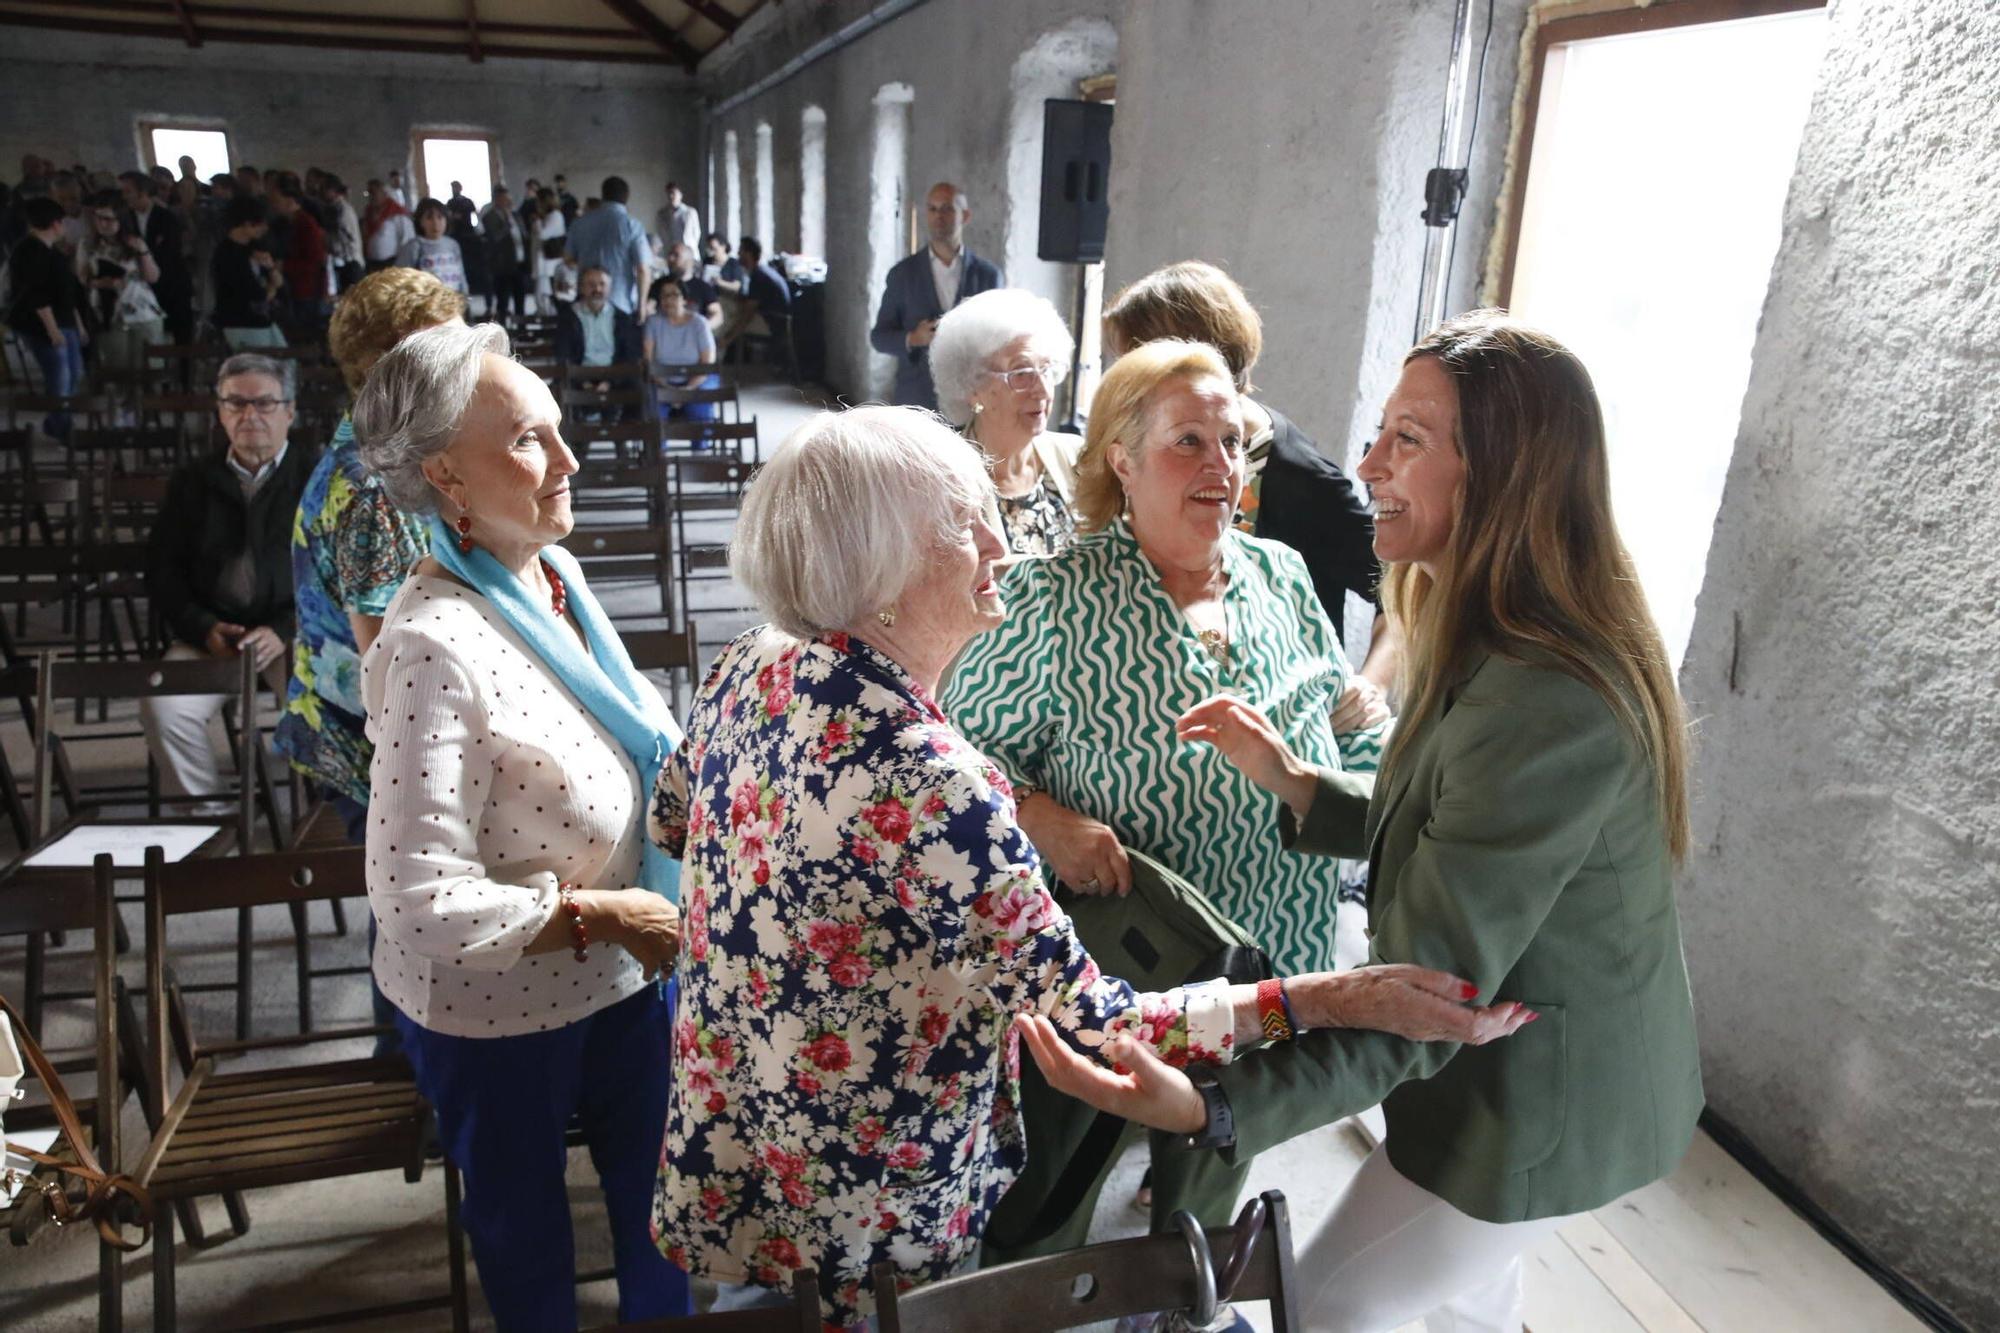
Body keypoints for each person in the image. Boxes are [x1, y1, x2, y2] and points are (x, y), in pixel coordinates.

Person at [643, 404, 1522, 1328]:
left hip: (738, 1146)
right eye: (960, 524)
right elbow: (1100, 1027)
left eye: (989, 506)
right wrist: (1327, 998)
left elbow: (675, 822)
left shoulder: (752, 662)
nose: (1000, 537)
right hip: (871, 1220)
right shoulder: (930, 777)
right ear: (880, 575)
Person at [1019, 310, 1705, 1333]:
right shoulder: (1477, 621)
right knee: (1467, 1305)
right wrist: (1298, 781)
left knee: (1331, 1302)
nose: (1364, 459)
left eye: (1407, 439)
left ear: (1502, 472)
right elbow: (1440, 818)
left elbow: (1423, 998)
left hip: (1536, 1101)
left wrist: (1215, 1107)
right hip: (1494, 1080)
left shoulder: (1537, 692)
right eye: (1380, 430)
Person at [943, 340, 1390, 1258]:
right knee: (1060, 1181)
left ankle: (1184, 1293)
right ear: (1121, 456)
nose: (1220, 467)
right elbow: (948, 748)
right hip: (1129, 962)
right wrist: (1037, 813)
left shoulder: (1281, 577)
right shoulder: (1056, 599)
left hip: (1276, 954)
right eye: (1189, 441)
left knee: (1222, 1140)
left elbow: (1347, 726)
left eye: (1232, 442)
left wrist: (1367, 745)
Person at [351, 321, 694, 1330]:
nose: (569, 459)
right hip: (494, 1010)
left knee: (660, 1204)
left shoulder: (551, 577)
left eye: (557, 429)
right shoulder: (430, 648)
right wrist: (612, 911)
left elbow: (634, 731)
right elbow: (417, 899)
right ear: (446, 478)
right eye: (527, 441)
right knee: (524, 1232)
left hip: (627, 965)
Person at [1104, 261, 1395, 698]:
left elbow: (1400, 583)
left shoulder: (1295, 473)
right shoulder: (1141, 444)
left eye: (1132, 359)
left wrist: (1367, 688)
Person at [142, 353, 314, 812]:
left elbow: (336, 573)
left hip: (297, 634)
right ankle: (209, 821)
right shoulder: (193, 481)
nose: (249, 415)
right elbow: (162, 570)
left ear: (290, 411)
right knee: (166, 707)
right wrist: (202, 627)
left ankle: (323, 817)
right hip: (213, 635)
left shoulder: (319, 478)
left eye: (263, 403)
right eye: (235, 404)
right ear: (219, 412)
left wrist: (283, 629)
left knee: (331, 698)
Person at [928, 288, 1081, 558]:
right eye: (1021, 373)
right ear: (973, 386)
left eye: (1046, 369)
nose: (1043, 391)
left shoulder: (1078, 458)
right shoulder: (944, 484)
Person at [869, 181, 1002, 411]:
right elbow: (879, 337)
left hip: (971, 400)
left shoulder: (988, 276)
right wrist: (913, 338)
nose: (938, 216)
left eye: (947, 208)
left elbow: (999, 338)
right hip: (916, 400)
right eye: (932, 209)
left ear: (965, 215)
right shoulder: (902, 274)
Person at [5, 197, 89, 438]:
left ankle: (57, 422)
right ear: (55, 223)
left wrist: (78, 324)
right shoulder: (28, 250)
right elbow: (37, 295)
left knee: (75, 372)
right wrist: (52, 330)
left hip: (64, 319)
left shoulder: (53, 251)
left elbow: (67, 291)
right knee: (59, 375)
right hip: (42, 324)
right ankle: (62, 428)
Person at [75, 194, 165, 390]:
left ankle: (150, 410)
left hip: (142, 309)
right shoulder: (88, 244)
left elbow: (152, 277)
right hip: (108, 311)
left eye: (108, 219)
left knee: (149, 368)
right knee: (119, 367)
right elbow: (82, 278)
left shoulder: (134, 241)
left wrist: (143, 251)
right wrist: (101, 283)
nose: (102, 224)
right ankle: (126, 410)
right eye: (98, 218)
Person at [119, 169, 192, 344]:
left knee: (180, 334)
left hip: (172, 284)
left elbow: (171, 252)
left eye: (128, 191)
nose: (124, 196)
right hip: (142, 289)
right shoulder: (125, 219)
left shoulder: (166, 217)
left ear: (142, 192)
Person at [564, 175, 649, 318]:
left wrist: (587, 265)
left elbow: (568, 259)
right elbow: (643, 269)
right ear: (627, 197)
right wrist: (642, 306)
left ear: (603, 195)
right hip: (620, 301)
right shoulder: (632, 225)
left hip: (587, 300)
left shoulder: (579, 223)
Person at [639, 277, 717, 431]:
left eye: (674, 294)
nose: (668, 300)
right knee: (654, 416)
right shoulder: (653, 322)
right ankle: (659, 453)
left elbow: (707, 364)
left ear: (684, 299)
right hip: (662, 381)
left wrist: (687, 390)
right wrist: (667, 388)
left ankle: (700, 453)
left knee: (700, 413)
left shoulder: (699, 323)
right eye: (664, 295)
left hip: (697, 380)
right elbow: (648, 360)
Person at [210, 195, 286, 349]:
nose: (265, 228)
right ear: (246, 223)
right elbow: (256, 293)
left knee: (285, 364)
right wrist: (272, 288)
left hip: (264, 319)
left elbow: (279, 282)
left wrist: (271, 270)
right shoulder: (227, 253)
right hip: (240, 321)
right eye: (260, 224)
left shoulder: (255, 247)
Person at [555, 266, 642, 374]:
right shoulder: (568, 318)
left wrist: (611, 382)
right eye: (591, 285)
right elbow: (564, 355)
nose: (597, 289)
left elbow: (630, 356)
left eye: (602, 284)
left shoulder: (622, 319)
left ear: (610, 288)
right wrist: (582, 382)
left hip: (616, 376)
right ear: (581, 288)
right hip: (577, 376)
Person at [271, 179, 329, 328]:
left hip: (307, 289)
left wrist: (284, 265)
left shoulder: (306, 224)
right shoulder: (289, 222)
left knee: (304, 331)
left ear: (290, 201)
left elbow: (314, 262)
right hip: (297, 287)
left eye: (277, 200)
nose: (274, 204)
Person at [717, 236, 790, 354]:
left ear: (748, 253)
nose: (738, 254)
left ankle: (719, 351)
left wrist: (728, 338)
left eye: (740, 250)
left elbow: (748, 313)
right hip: (777, 320)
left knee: (729, 314)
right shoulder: (763, 271)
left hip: (773, 323)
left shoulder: (759, 276)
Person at [395, 198, 468, 294]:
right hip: (427, 304)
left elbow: (460, 275)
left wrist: (465, 297)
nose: (435, 223)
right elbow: (401, 278)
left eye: (440, 217)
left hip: (453, 302)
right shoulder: (414, 246)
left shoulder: (453, 245)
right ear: (420, 222)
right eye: (429, 218)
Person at [482, 186, 530, 323]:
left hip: (519, 263)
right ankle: (503, 330)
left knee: (520, 299)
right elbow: (495, 237)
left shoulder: (515, 215)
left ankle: (522, 329)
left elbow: (524, 234)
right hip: (502, 266)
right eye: (503, 198)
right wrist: (507, 225)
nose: (507, 201)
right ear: (496, 199)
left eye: (508, 198)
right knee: (503, 301)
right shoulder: (489, 217)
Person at [664, 240, 721, 334]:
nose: (670, 259)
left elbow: (717, 315)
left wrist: (700, 329)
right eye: (670, 255)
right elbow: (649, 308)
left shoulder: (703, 287)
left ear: (689, 261)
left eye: (676, 255)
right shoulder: (659, 284)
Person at [362, 179, 414, 275]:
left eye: (374, 193)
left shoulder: (397, 214)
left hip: (392, 263)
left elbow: (407, 240)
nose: (371, 197)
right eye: (369, 193)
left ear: (384, 193)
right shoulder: (369, 213)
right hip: (373, 264)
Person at [323, 177, 365, 293]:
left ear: (333, 191)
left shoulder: (344, 210)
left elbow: (349, 236)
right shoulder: (333, 208)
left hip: (351, 262)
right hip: (343, 262)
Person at [532, 187, 569, 312]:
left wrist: (537, 221)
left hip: (550, 263)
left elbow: (543, 235)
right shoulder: (547, 216)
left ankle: (548, 321)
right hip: (544, 262)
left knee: (544, 295)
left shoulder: (555, 216)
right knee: (542, 295)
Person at [654, 180, 700, 254]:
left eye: (673, 193)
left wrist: (691, 246)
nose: (671, 196)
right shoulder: (662, 214)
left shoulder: (690, 212)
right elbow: (661, 233)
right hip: (671, 251)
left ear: (680, 194)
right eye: (668, 193)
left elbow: (696, 233)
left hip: (689, 250)